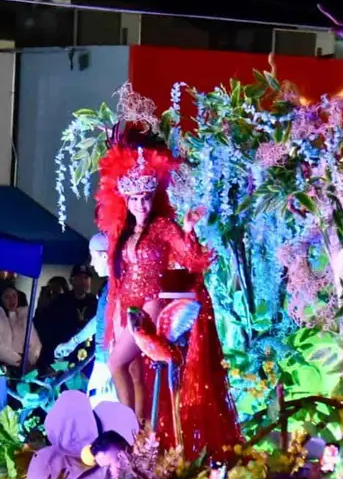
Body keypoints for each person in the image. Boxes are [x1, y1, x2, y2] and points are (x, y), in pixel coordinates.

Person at [97, 143, 241, 459]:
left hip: (150, 304)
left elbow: (190, 257)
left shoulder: (163, 227)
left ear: (153, 197)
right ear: (126, 199)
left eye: (146, 198)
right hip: (127, 304)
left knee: (116, 363)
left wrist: (188, 229)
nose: (141, 204)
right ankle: (139, 437)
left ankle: (127, 429)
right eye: (135, 199)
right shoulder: (125, 231)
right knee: (135, 373)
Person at [55, 233, 115, 404]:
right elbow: (100, 319)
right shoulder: (109, 287)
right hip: (104, 359)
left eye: (93, 257)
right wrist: (73, 342)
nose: (92, 264)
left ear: (104, 256)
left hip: (110, 362)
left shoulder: (118, 287)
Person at [37, 265, 97, 369]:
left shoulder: (95, 303)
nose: (82, 281)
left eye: (86, 278)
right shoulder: (60, 302)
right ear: (72, 281)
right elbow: (48, 329)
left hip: (88, 354)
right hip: (64, 354)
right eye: (79, 278)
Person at [0, 284, 42, 373]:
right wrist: (18, 360)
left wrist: (29, 360)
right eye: (7, 297)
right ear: (0, 299)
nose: (12, 300)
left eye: (14, 296)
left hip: (25, 367)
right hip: (0, 367)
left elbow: (35, 343)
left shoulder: (24, 317)